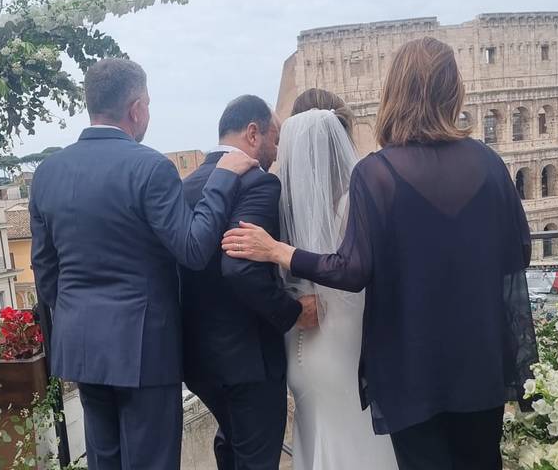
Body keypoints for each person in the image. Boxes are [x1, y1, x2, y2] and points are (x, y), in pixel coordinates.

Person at [223, 37, 537, 470]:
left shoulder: (379, 174)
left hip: (412, 365)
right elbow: (518, 253)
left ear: (394, 92)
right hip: (479, 360)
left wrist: (282, 252)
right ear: (453, 92)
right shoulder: (489, 164)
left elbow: (352, 270)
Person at [31, 58, 257, 470]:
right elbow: (192, 248)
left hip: (81, 347)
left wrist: (76, 314)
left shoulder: (47, 172)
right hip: (143, 348)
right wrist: (222, 178)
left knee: (105, 461)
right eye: (148, 105)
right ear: (136, 108)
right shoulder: (150, 167)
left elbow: (45, 271)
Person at [180, 95, 315, 470]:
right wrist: (291, 312)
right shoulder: (258, 184)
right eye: (274, 139)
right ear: (253, 133)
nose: (275, 151)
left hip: (198, 361)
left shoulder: (186, 186)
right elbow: (239, 269)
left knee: (230, 449)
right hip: (250, 363)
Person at [278, 88, 399, 470]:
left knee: (316, 434)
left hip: (299, 341)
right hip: (350, 344)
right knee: (359, 435)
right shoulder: (356, 202)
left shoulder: (283, 204)